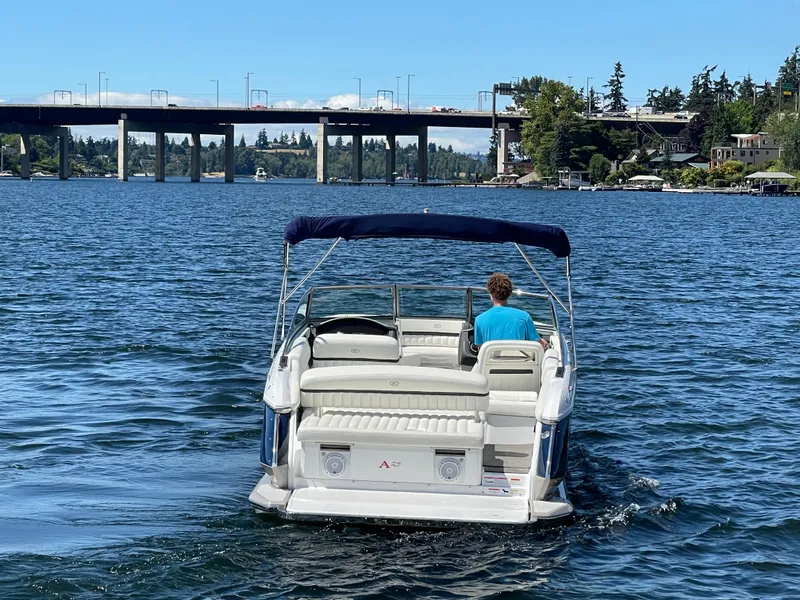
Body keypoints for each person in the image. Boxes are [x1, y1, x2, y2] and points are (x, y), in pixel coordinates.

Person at [474, 272, 548, 349]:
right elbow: (537, 345)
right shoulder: (524, 317)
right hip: (518, 357)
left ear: (491, 294)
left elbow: (481, 350)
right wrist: (545, 344)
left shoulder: (479, 320)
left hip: (491, 357)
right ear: (509, 293)